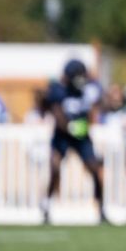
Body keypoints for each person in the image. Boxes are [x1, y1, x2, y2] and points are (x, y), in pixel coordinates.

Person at [42, 60, 107, 225]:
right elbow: (56, 112)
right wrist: (70, 127)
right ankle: (47, 204)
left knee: (95, 169)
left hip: (82, 137)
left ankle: (101, 207)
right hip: (62, 135)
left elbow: (98, 106)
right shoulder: (59, 90)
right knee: (55, 166)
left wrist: (87, 123)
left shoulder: (90, 89)